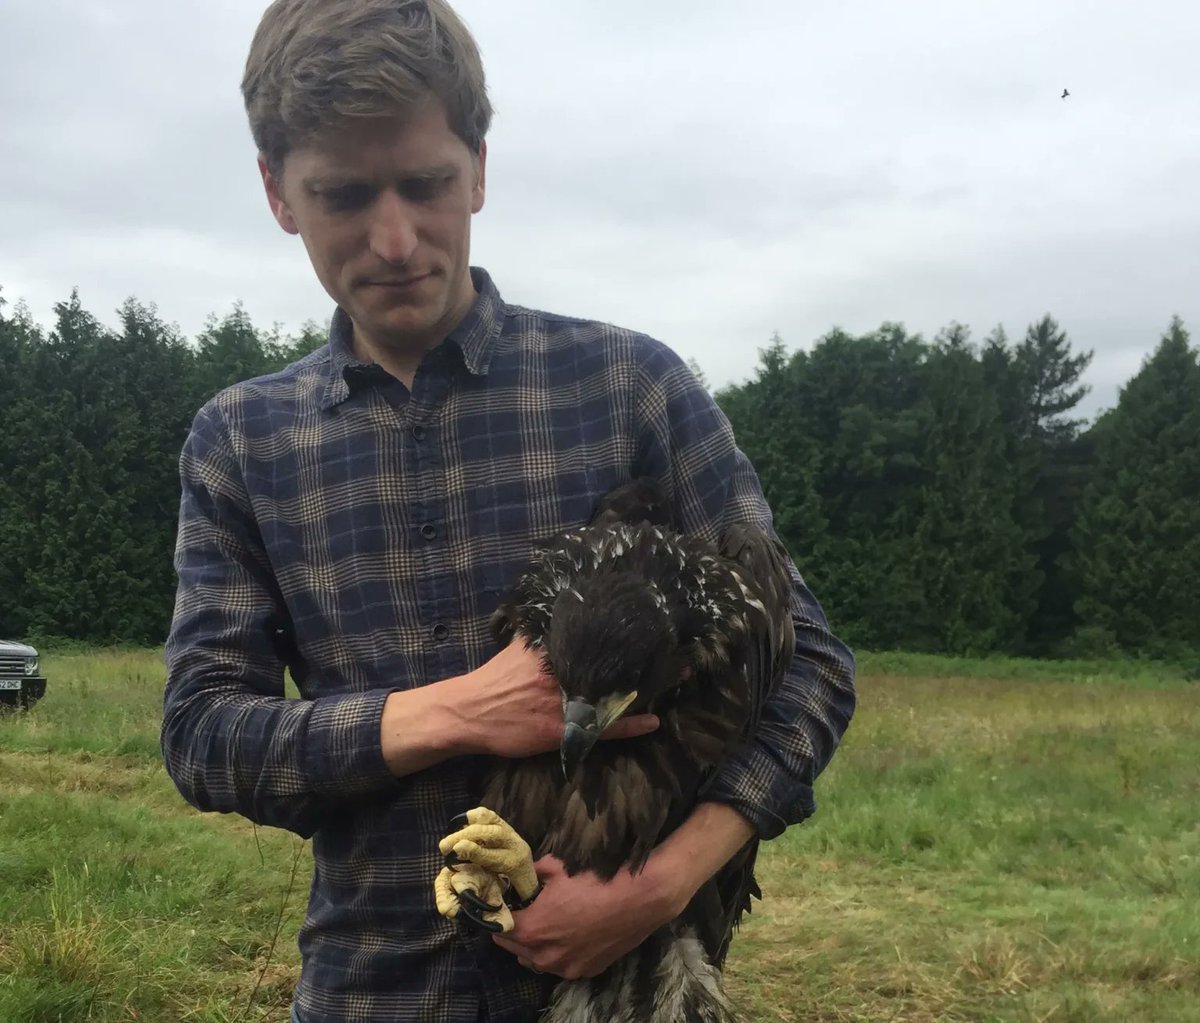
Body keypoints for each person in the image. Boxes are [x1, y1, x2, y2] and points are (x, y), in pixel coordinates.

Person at [160, 1, 857, 1021]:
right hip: (372, 989)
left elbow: (812, 670)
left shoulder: (632, 392)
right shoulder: (243, 442)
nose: (395, 238)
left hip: (635, 982)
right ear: (277, 192)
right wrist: (454, 714)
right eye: (344, 196)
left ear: (479, 168)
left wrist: (658, 887)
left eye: (428, 185)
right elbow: (205, 735)